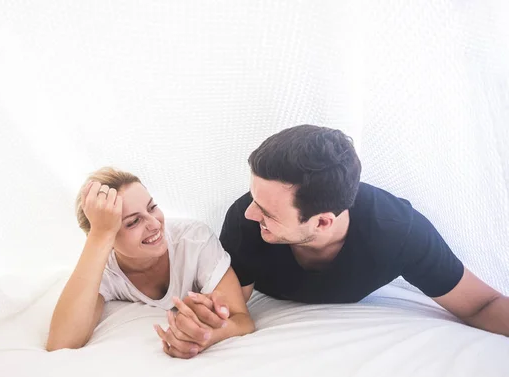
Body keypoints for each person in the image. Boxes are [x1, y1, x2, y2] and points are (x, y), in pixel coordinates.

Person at [177, 124, 509, 339]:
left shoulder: (398, 232)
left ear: (323, 221)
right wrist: (200, 327)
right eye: (254, 197)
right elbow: (230, 310)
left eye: (267, 212)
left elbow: (482, 304)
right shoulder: (245, 220)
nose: (251, 212)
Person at [46, 167, 255, 358]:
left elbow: (242, 320)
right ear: (107, 238)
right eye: (133, 222)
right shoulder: (105, 267)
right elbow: (62, 342)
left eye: (152, 207)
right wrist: (99, 236)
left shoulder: (194, 240)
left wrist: (206, 336)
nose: (155, 224)